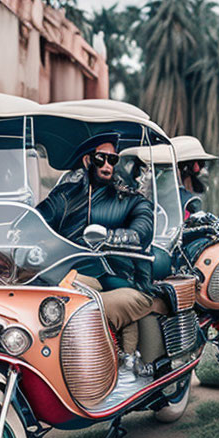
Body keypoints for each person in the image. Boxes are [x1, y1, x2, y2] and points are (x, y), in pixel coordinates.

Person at [36, 132, 159, 358]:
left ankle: (124, 365)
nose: (107, 166)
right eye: (101, 158)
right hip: (65, 276)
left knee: (83, 309)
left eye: (112, 160)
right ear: (87, 160)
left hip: (119, 278)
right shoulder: (65, 197)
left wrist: (109, 236)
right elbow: (33, 222)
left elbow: (142, 231)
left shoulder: (130, 200)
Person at [173, 136, 218, 219]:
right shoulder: (170, 194)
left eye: (201, 163)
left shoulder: (202, 189)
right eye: (192, 163)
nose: (197, 167)